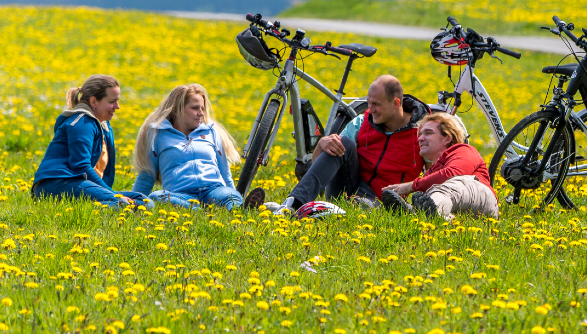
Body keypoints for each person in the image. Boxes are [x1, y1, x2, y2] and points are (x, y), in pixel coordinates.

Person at [256, 75, 429, 216]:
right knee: (340, 142)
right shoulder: (362, 122)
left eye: (376, 104)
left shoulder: (422, 133)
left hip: (381, 202)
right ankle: (293, 204)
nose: (371, 109)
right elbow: (319, 168)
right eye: (369, 103)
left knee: (354, 208)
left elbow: (434, 175)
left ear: (396, 103)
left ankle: (284, 209)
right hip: (345, 190)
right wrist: (322, 145)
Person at [33, 75, 151, 208]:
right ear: (94, 101)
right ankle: (87, 211)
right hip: (56, 183)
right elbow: (80, 166)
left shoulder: (103, 125)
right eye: (112, 101)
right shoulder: (82, 123)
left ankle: (100, 205)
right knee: (123, 203)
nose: (117, 107)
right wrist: (112, 195)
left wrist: (109, 193)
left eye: (117, 101)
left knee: (143, 201)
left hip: (76, 183)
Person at [131, 84, 250, 210]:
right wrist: (133, 200)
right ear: (177, 109)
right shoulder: (157, 135)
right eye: (195, 108)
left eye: (202, 108)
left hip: (213, 190)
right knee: (156, 196)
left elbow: (225, 174)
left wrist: (233, 194)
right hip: (180, 194)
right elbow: (147, 175)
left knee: (230, 196)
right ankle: (198, 209)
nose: (201, 113)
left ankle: (238, 208)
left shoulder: (212, 132)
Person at [381, 112, 499, 219]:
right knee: (432, 195)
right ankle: (429, 216)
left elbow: (452, 174)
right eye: (420, 134)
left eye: (428, 133)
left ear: (447, 138)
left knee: (444, 188)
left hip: (483, 200)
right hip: (464, 211)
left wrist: (411, 186)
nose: (420, 139)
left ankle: (420, 213)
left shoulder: (463, 150)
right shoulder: (430, 174)